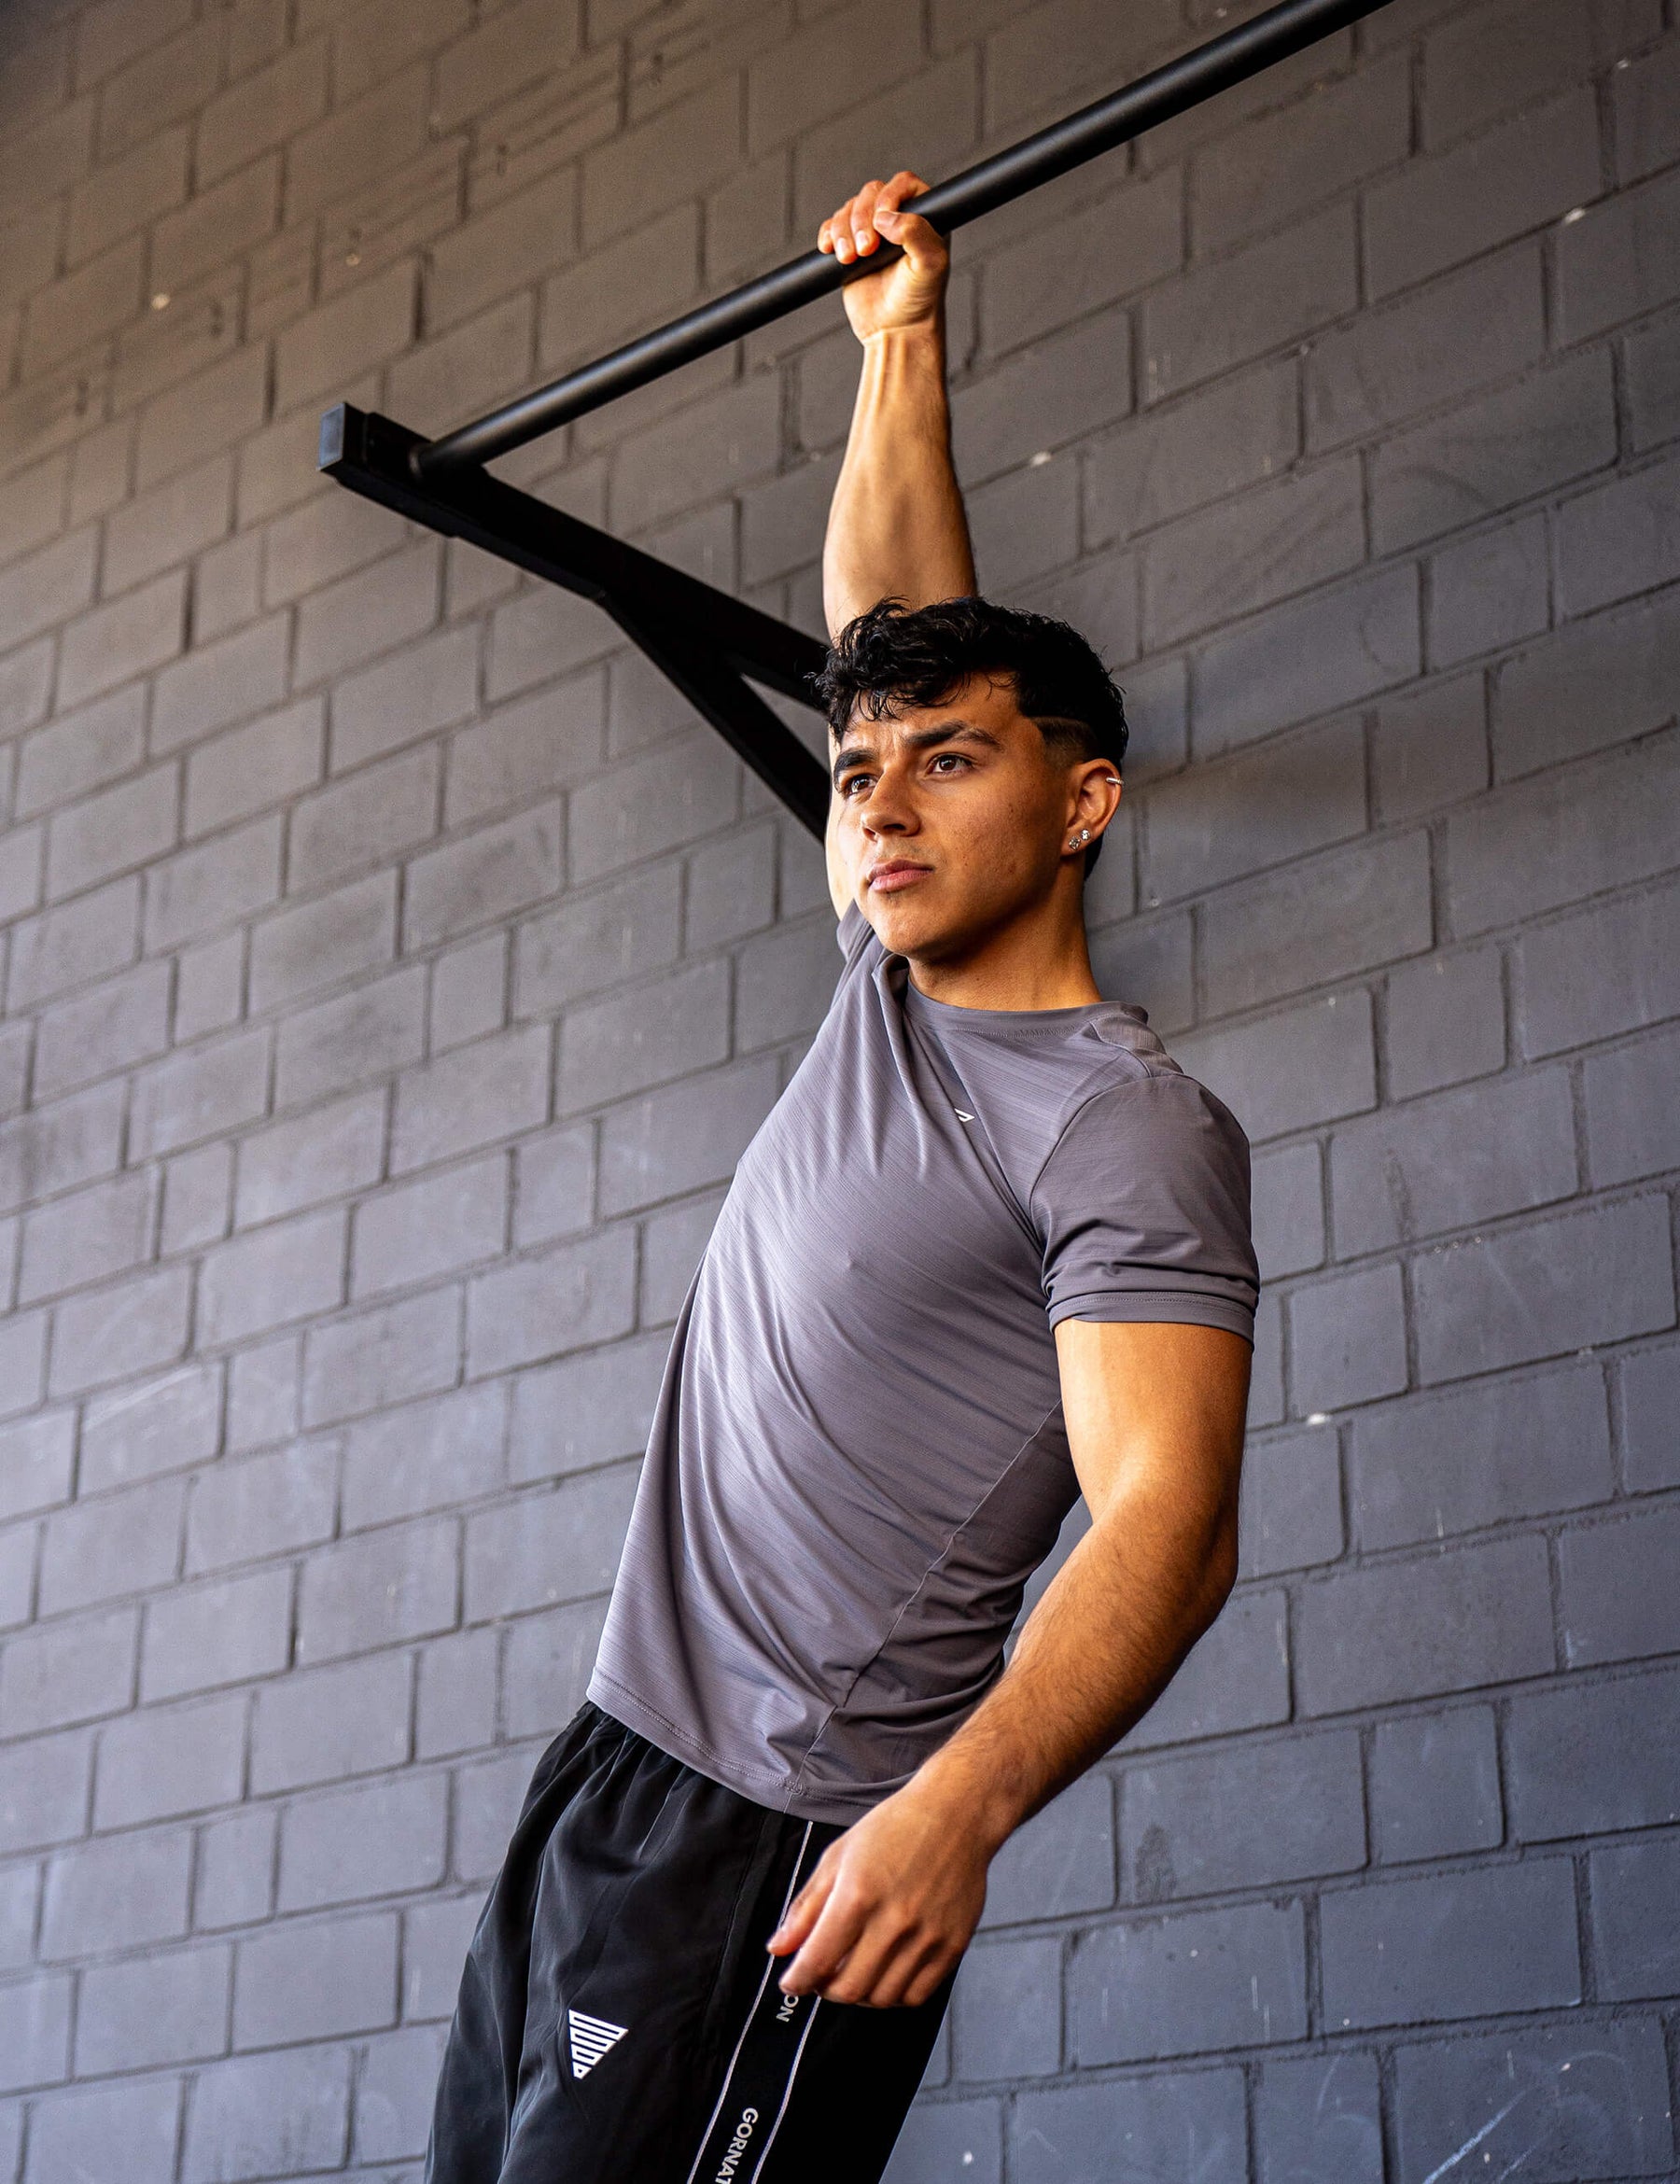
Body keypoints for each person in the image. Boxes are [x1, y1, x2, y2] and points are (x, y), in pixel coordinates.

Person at [425, 171, 1257, 2184]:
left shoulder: (1121, 1121)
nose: (880, 796)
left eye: (948, 761)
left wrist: (955, 1814)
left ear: (1084, 802)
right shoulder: (882, 1004)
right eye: (853, 770)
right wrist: (898, 340)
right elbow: (883, 632)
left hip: (789, 1836)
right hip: (618, 1775)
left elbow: (1171, 1517)